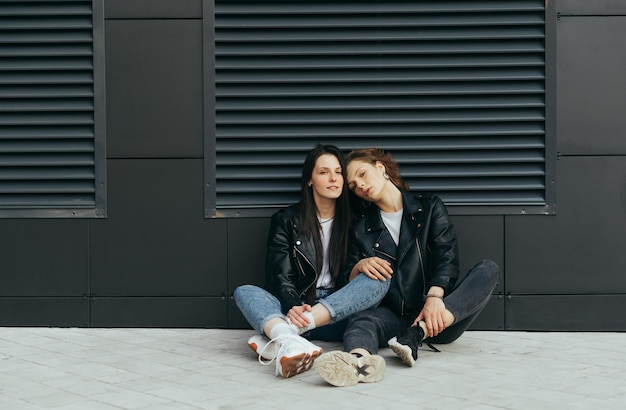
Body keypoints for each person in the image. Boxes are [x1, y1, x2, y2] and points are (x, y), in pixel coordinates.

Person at [314, 147, 500, 387]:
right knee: (362, 319)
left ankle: (416, 334)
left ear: (380, 168)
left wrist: (435, 297)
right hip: (391, 317)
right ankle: (358, 364)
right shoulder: (360, 227)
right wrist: (359, 265)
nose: (359, 185)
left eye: (362, 174)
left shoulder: (429, 207)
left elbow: (447, 258)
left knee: (488, 269)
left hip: (439, 318)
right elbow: (343, 276)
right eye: (352, 185)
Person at [234, 144, 392, 379]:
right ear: (310, 180)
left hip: (335, 312)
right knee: (244, 292)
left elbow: (348, 275)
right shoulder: (286, 221)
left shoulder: (355, 222)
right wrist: (293, 306)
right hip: (299, 306)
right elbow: (280, 276)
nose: (333, 179)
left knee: (380, 279)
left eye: (338, 172)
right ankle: (292, 334)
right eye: (324, 172)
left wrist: (360, 266)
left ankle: (285, 336)